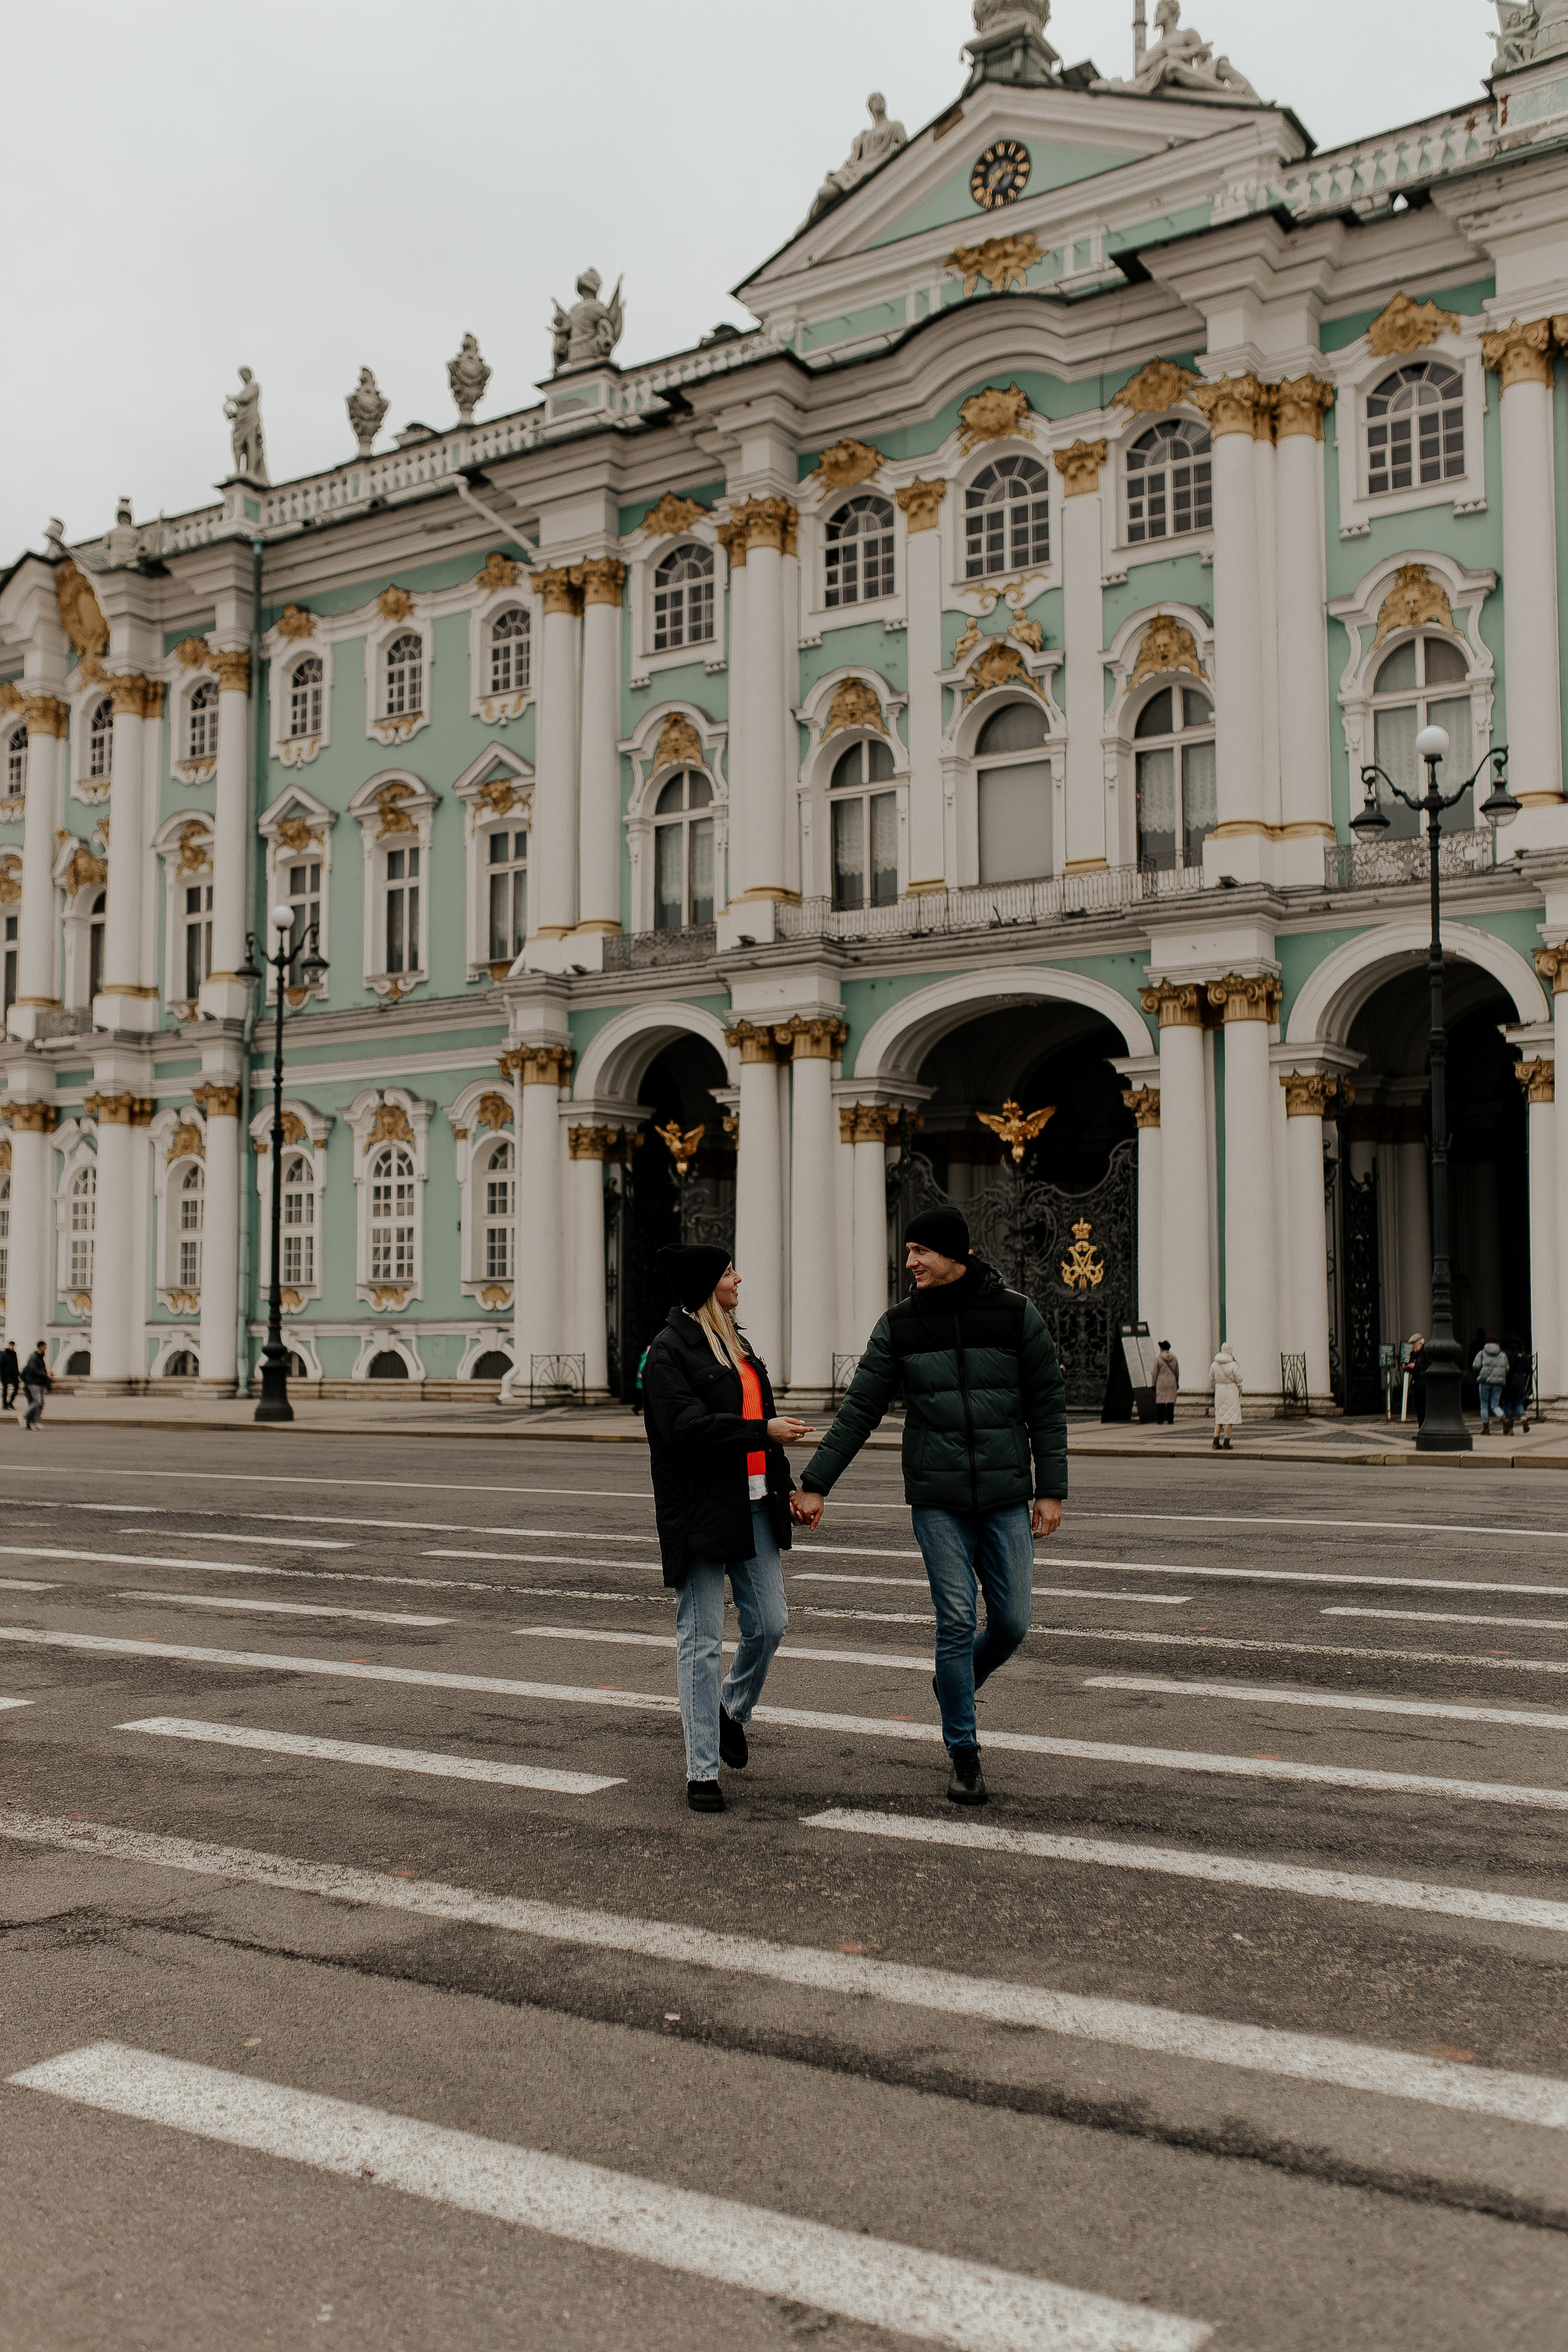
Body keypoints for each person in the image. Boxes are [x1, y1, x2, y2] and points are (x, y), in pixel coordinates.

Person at [793, 1205, 1066, 1808]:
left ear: (954, 1254)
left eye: (920, 1251)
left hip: (1003, 1496)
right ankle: (963, 1753)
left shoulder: (1016, 1314)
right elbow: (860, 1409)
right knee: (954, 1620)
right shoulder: (899, 1326)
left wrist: (1050, 1487)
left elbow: (1046, 1401)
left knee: (1014, 1621)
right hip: (937, 1499)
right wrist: (815, 1482)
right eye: (908, 1251)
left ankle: (953, 1683)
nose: (910, 1262)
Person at [641, 1245, 810, 1814]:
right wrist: (762, 1429)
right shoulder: (669, 1350)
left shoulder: (736, 1341)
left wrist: (786, 1488)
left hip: (757, 1503)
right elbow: (687, 1428)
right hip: (701, 1508)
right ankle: (702, 1772)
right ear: (706, 1285)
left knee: (771, 1624)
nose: (738, 1277)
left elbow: (765, 1422)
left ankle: (732, 1710)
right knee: (702, 1641)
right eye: (728, 1271)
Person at [1472, 1332, 1510, 1434]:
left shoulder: (1482, 1353)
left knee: (1484, 1405)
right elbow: (1507, 1368)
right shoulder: (1503, 1354)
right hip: (1498, 1382)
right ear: (1497, 1343)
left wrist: (1481, 1371)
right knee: (1495, 1405)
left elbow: (1476, 1366)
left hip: (1484, 1381)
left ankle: (1486, 1428)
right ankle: (1503, 1418)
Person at [1208, 1341, 1242, 1450]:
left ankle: (1215, 1442)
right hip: (1231, 1390)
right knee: (1230, 1418)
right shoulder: (1233, 1364)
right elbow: (1239, 1378)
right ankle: (1227, 1442)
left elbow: (1211, 1377)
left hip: (1220, 1391)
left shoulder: (1215, 1364)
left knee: (1220, 1418)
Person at [1502, 1332, 1532, 1435]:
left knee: (1507, 1404)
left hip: (1507, 1380)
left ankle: (1510, 1428)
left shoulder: (1504, 1353)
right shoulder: (1522, 1353)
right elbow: (1529, 1369)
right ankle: (1523, 1416)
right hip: (1519, 1380)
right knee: (1518, 1402)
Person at [21, 1342, 50, 1432]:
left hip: (40, 1383)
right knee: (38, 1401)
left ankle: (37, 1422)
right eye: (44, 1347)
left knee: (41, 1404)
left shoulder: (40, 1358)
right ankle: (24, 1417)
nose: (45, 1349)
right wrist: (46, 1375)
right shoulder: (34, 1358)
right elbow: (34, 1370)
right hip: (34, 1383)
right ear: (40, 1347)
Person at [1152, 1341, 1179, 1425]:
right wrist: (1177, 1381)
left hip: (1161, 1381)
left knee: (1161, 1401)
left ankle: (1161, 1420)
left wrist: (1153, 1384)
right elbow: (1177, 1372)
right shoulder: (1174, 1358)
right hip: (1172, 1381)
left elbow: (1155, 1373)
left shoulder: (1159, 1359)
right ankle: (1170, 1419)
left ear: (1162, 1348)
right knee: (1171, 1401)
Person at [0, 1339, 18, 1413]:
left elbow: (16, 1364)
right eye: (11, 1345)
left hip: (13, 1375)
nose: (12, 1347)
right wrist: (2, 1374)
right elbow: (1, 1365)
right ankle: (4, 1405)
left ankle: (10, 1402)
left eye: (13, 1346)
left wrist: (17, 1373)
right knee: (5, 1390)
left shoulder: (14, 1354)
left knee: (17, 1387)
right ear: (9, 1346)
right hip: (5, 1375)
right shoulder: (4, 1354)